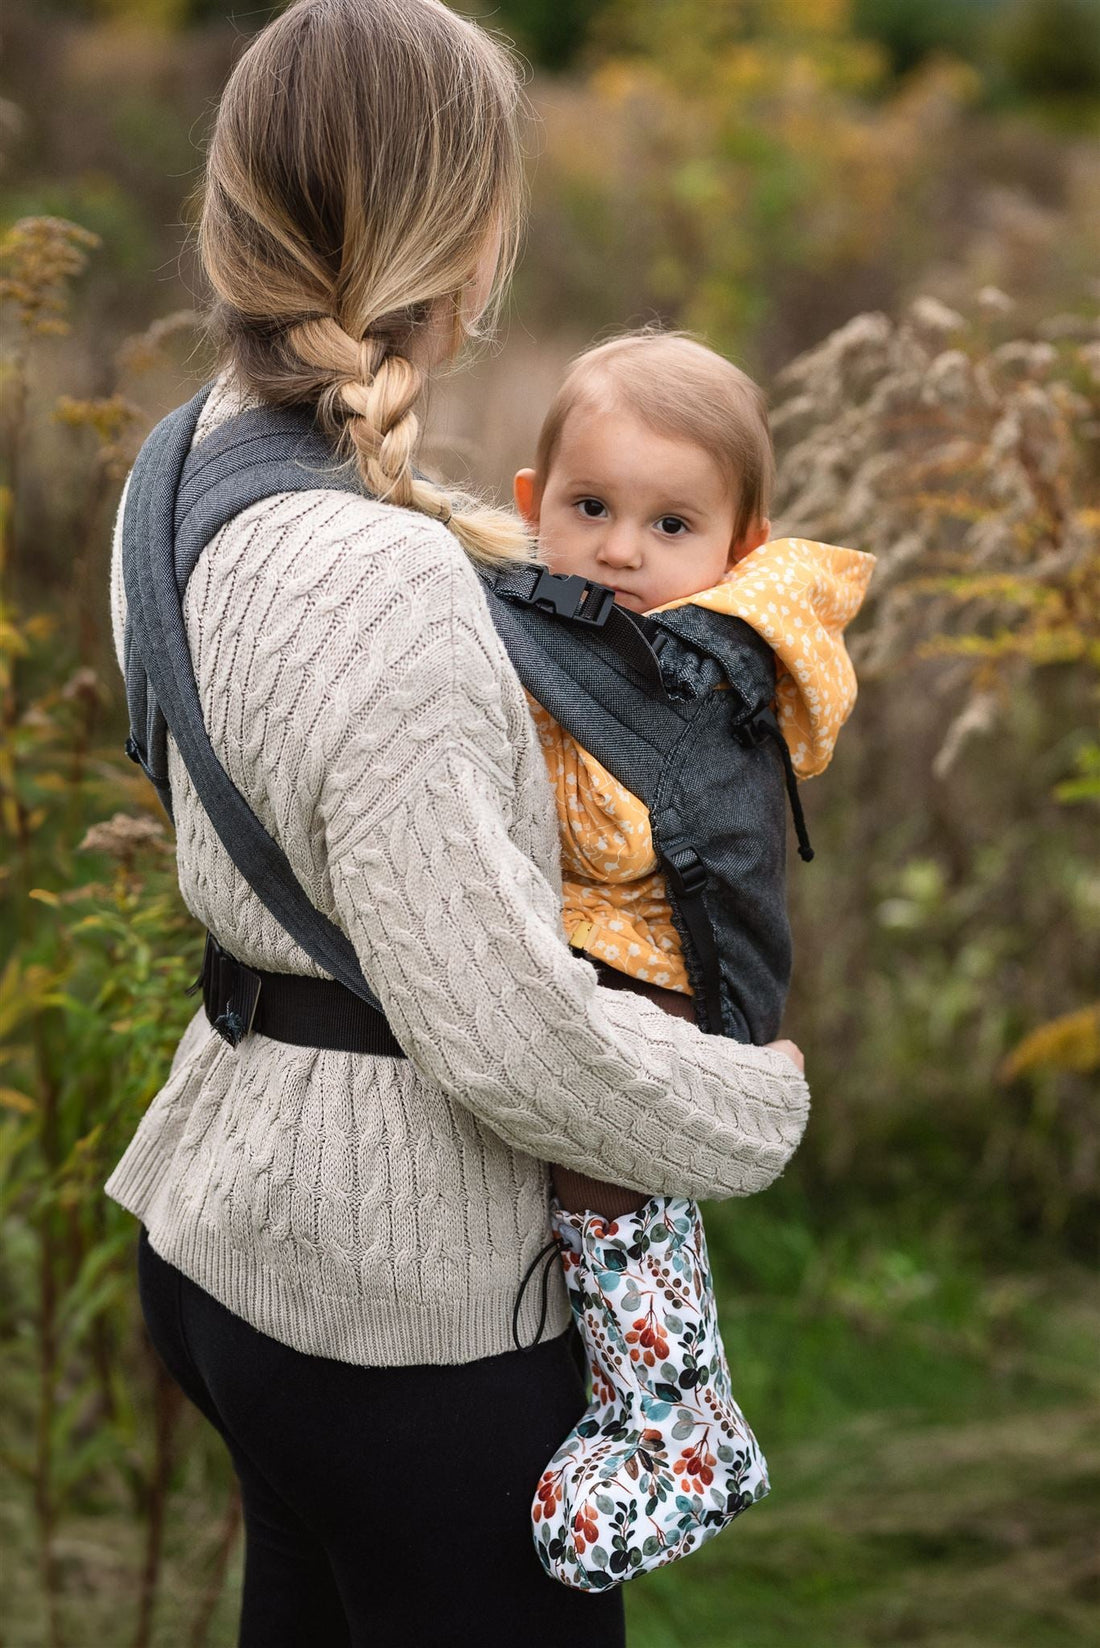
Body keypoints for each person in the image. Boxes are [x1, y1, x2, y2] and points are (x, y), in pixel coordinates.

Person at [104, 4, 810, 1644]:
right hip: (403, 1309)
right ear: (469, 239)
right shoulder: (386, 570)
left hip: (230, 1247)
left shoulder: (171, 470)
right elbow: (500, 1038)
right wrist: (746, 1106)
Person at [506, 330, 875, 1586]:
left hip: (649, 973)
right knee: (597, 1195)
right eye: (590, 506)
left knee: (608, 1190)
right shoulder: (600, 630)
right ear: (529, 504)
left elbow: (613, 832)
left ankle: (676, 1424)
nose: (620, 549)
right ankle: (643, 1406)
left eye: (670, 524)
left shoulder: (687, 662)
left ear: (739, 546)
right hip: (617, 960)